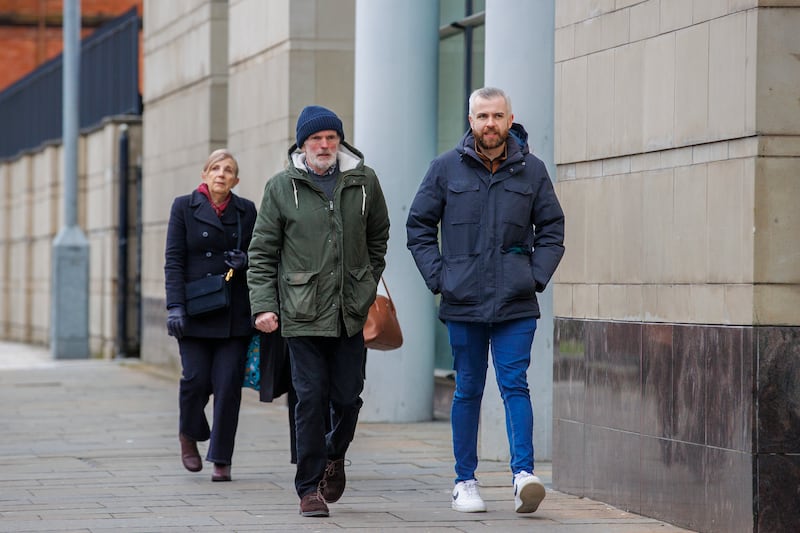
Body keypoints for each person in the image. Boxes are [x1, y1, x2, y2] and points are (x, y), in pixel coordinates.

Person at [406, 87, 565, 514]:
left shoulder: (531, 171)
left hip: (516, 302)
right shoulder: (445, 169)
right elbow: (418, 226)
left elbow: (552, 228)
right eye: (482, 116)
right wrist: (440, 278)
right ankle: (464, 481)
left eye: (497, 116)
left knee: (515, 383)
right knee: (468, 389)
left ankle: (523, 476)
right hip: (463, 301)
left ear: (510, 120)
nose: (489, 124)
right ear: (470, 120)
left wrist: (534, 276)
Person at [247, 105, 390, 517]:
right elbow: (262, 253)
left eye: (331, 138)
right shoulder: (281, 187)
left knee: (347, 399)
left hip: (349, 312)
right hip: (301, 313)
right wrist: (263, 307)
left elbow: (379, 235)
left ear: (339, 141)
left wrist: (366, 280)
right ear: (302, 145)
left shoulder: (363, 182)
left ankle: (334, 454)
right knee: (309, 399)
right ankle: (308, 488)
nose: (324, 146)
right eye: (316, 139)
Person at [164, 148, 257, 482]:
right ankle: (188, 434)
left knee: (229, 385)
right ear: (204, 174)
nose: (221, 173)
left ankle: (221, 457)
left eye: (228, 169)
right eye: (215, 168)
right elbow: (173, 260)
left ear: (236, 180)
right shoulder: (183, 208)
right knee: (195, 380)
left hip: (233, 312)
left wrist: (245, 261)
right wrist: (174, 306)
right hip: (195, 311)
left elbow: (260, 254)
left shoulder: (246, 211)